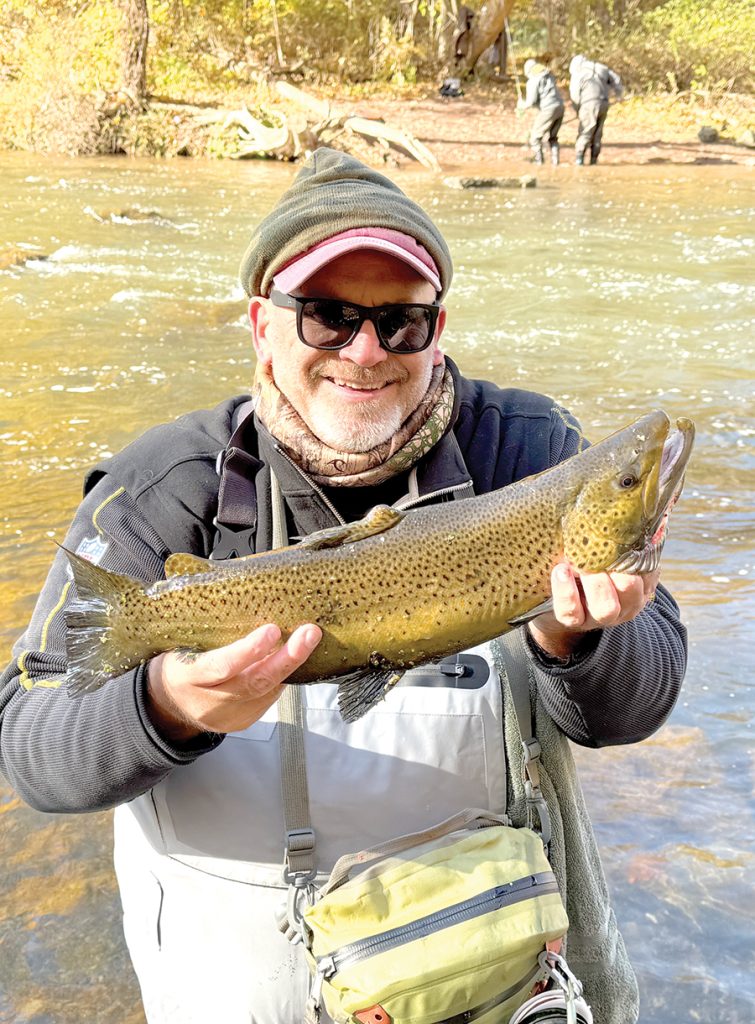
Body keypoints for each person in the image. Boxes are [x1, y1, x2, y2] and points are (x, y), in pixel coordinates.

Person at [0, 147, 686, 1024]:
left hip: (499, 982)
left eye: (400, 322)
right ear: (261, 324)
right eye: (326, 317)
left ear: (439, 328)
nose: (365, 352)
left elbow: (633, 711)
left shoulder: (528, 450)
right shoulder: (168, 485)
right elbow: (31, 754)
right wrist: (166, 705)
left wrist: (574, 638)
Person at [569, 54, 623, 165]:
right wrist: (619, 95)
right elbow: (616, 80)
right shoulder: (602, 68)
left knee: (585, 133)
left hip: (588, 104)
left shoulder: (579, 72)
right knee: (597, 134)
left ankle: (579, 162)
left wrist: (578, 109)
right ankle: (594, 161)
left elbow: (574, 95)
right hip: (604, 104)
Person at [518, 58, 565, 165]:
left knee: (535, 137)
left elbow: (531, 102)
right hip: (560, 107)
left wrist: (521, 105)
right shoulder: (549, 76)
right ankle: (555, 162)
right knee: (553, 137)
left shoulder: (533, 80)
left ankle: (539, 161)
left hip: (548, 109)